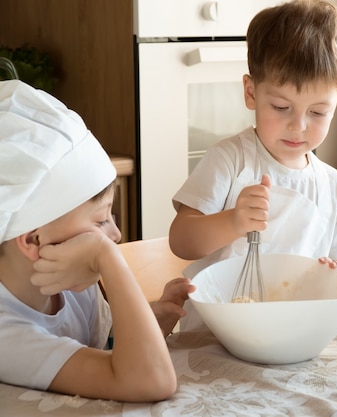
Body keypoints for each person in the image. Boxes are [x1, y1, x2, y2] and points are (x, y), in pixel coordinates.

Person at [0, 80, 194, 402]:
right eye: (101, 220)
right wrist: (107, 256)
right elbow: (151, 381)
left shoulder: (71, 285)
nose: (115, 235)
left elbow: (105, 346)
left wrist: (151, 318)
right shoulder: (7, 334)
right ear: (34, 240)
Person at [169, 0, 337, 292]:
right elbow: (181, 240)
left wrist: (333, 277)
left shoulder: (336, 189)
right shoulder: (230, 161)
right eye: (280, 106)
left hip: (296, 330)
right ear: (251, 93)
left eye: (317, 112)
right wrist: (233, 222)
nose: (298, 125)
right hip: (220, 330)